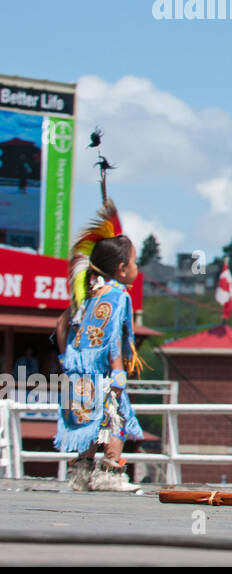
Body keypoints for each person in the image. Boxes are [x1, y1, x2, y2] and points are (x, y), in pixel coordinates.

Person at [55, 201, 144, 492]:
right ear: (121, 269)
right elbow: (112, 338)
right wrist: (118, 371)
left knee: (89, 425)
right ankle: (110, 472)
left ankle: (81, 474)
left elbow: (61, 327)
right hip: (104, 373)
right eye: (134, 261)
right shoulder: (118, 295)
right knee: (114, 420)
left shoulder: (88, 294)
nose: (137, 267)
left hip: (76, 372)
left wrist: (67, 359)